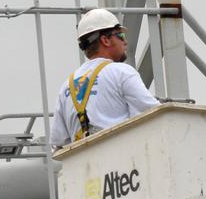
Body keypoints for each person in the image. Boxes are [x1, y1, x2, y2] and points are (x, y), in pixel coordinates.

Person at [50, 9, 158, 148]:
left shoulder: (67, 86)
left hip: (84, 166)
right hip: (123, 164)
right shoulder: (121, 72)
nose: (125, 42)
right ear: (105, 40)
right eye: (121, 35)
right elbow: (154, 115)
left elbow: (59, 143)